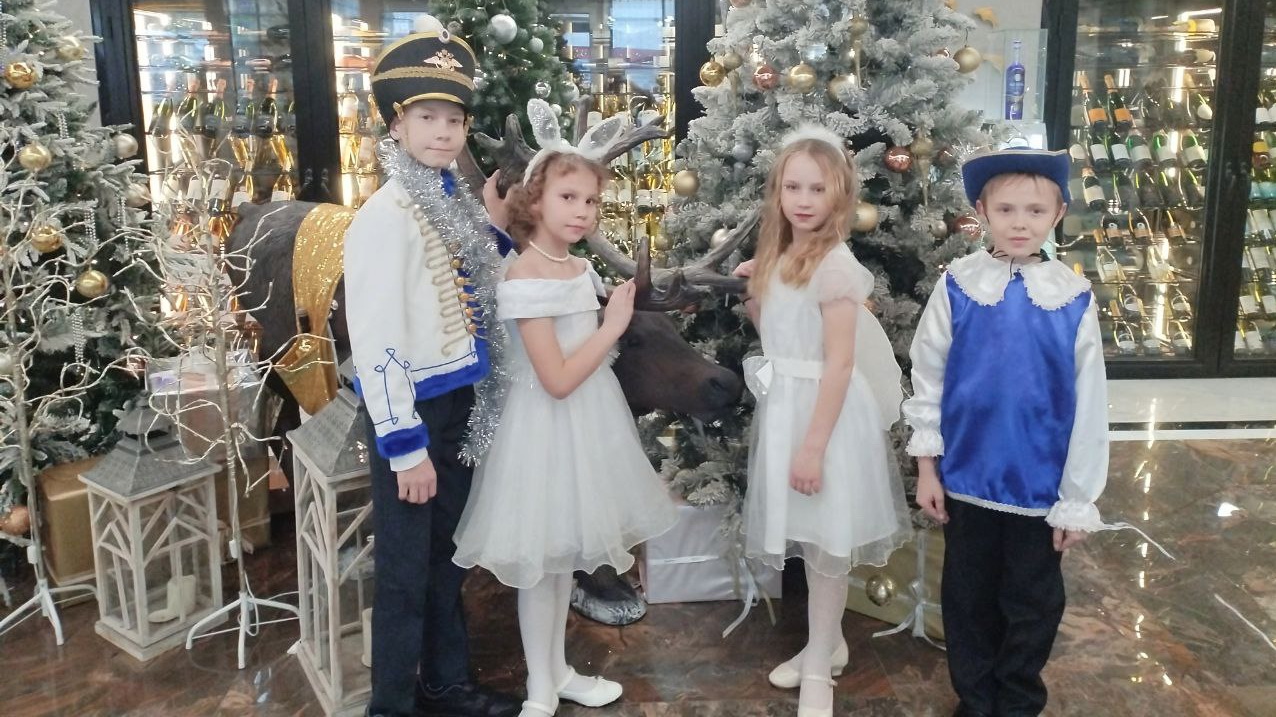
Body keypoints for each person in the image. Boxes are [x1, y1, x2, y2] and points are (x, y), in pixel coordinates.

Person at [452, 100, 677, 717]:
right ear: (536, 200)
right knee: (542, 567)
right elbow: (554, 378)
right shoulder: (526, 274)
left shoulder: (576, 266)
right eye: (568, 198)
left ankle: (559, 671)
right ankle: (540, 688)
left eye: (591, 201)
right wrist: (615, 325)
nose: (581, 211)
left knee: (562, 567)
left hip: (586, 425)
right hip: (545, 429)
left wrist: (605, 322)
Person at [343, 21, 519, 717]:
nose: (443, 132)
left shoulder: (450, 198)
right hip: (411, 412)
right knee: (404, 573)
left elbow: (472, 272)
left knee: (447, 558)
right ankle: (390, 705)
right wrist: (404, 443)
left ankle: (445, 684)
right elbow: (377, 337)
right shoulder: (384, 215)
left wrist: (498, 231)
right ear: (397, 125)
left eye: (453, 119)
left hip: (458, 404)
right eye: (427, 118)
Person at [903, 148, 1110, 717]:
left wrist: (1077, 498)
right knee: (967, 598)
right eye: (1007, 209)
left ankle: (1017, 700)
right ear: (982, 212)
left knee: (1032, 603)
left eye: (1035, 211)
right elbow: (928, 378)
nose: (1020, 223)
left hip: (1039, 489)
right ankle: (975, 700)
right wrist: (928, 468)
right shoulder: (958, 286)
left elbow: (1090, 404)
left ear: (1057, 214)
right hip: (967, 480)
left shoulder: (1073, 298)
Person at [733, 125, 912, 717]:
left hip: (825, 418)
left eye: (817, 189)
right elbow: (780, 338)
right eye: (793, 187)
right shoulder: (779, 256)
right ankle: (827, 645)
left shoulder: (836, 267)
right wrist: (756, 295)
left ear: (838, 196)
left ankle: (818, 672)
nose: (804, 200)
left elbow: (838, 363)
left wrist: (812, 447)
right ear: (778, 192)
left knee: (827, 544)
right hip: (787, 406)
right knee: (808, 539)